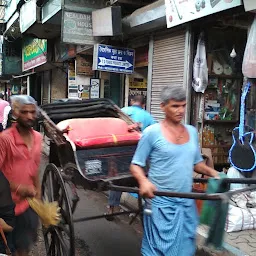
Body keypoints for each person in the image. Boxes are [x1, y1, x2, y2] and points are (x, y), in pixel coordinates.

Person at [130, 86, 219, 256]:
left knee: (186, 249)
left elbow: (196, 163)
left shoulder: (192, 132)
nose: (181, 111)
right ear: (163, 106)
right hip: (160, 204)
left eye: (183, 105)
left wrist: (214, 173)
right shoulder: (152, 133)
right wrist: (143, 181)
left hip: (186, 203)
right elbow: (135, 165)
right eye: (175, 106)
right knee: (158, 250)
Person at [0, 95, 42, 256]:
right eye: (25, 112)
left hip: (27, 205)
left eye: (33, 112)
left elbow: (35, 168)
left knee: (24, 248)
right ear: (16, 113)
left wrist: (38, 194)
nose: (30, 116)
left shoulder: (38, 138)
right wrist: (18, 187)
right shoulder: (5, 139)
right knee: (7, 249)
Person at [106, 95, 156, 218]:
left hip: (121, 153)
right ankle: (145, 209)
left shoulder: (123, 111)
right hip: (141, 155)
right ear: (143, 104)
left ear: (132, 102)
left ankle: (112, 208)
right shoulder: (148, 117)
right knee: (143, 180)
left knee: (117, 180)